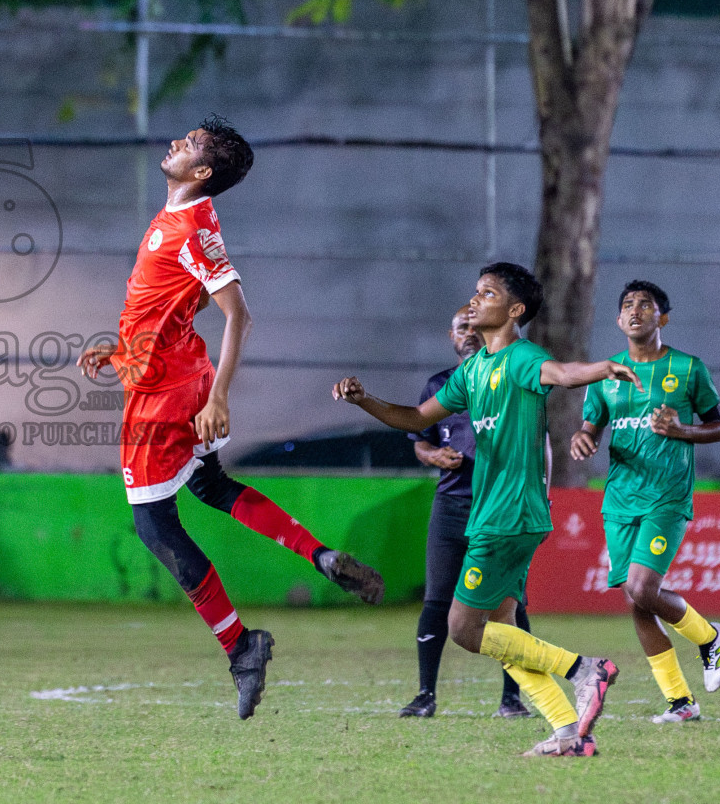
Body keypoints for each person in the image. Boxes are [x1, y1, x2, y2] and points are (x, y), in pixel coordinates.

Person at [80, 115, 385, 722]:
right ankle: (319, 555)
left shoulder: (192, 226)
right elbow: (167, 305)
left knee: (156, 528)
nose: (175, 142)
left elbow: (239, 314)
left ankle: (241, 646)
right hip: (172, 371)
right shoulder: (183, 217)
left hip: (164, 395)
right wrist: (121, 351)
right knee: (211, 486)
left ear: (202, 172)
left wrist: (219, 397)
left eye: (189, 144)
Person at [333, 262, 637, 757]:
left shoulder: (520, 357)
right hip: (497, 515)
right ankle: (567, 733)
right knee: (502, 630)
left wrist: (603, 367)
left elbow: (559, 373)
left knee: (464, 629)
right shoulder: (473, 372)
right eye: (476, 292)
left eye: (488, 293)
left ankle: (586, 669)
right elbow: (414, 417)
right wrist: (364, 399)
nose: (475, 300)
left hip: (507, 516)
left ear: (515, 311)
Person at [571, 280, 720, 723]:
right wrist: (583, 439)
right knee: (636, 603)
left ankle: (708, 637)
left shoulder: (688, 368)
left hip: (666, 495)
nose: (635, 310)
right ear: (620, 320)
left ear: (663, 317)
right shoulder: (608, 374)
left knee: (644, 588)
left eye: (646, 304)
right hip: (620, 499)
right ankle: (681, 703)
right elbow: (591, 427)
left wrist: (682, 431)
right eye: (627, 305)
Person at [401, 308, 534, 720]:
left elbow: (536, 437)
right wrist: (432, 455)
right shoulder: (439, 387)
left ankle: (512, 698)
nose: (470, 333)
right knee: (437, 598)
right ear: (451, 335)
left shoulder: (507, 378)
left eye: (476, 327)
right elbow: (419, 440)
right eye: (462, 327)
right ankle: (425, 695)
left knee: (510, 604)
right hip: (452, 505)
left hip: (499, 506)